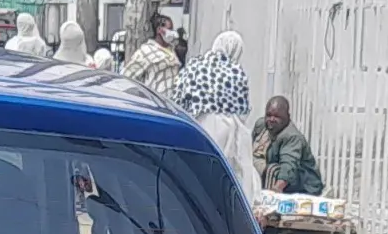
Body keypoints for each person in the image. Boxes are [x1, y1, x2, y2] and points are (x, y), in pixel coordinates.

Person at [174, 30, 259, 201]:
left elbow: (178, 98)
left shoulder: (193, 66)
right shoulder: (235, 71)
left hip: (195, 124)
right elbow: (242, 110)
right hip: (225, 127)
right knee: (225, 172)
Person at [253, 95, 325, 194]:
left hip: (304, 185)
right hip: (266, 174)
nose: (272, 119)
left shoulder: (291, 136)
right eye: (268, 115)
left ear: (287, 117)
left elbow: (288, 166)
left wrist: (275, 190)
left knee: (273, 170)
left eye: (277, 116)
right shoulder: (261, 125)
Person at [123, 12, 181, 97]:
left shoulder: (171, 50)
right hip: (156, 101)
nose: (172, 33)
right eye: (169, 29)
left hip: (171, 102)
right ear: (159, 29)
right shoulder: (146, 51)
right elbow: (127, 75)